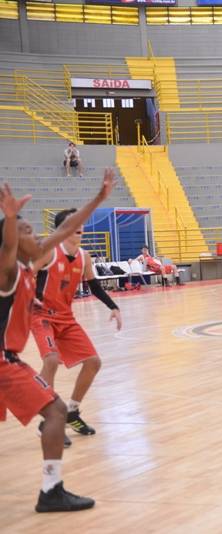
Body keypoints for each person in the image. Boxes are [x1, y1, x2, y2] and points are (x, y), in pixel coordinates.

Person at [0, 170, 116, 513]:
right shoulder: (7, 269)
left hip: (10, 358)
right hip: (3, 361)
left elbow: (65, 229)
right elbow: (7, 246)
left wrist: (99, 199)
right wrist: (10, 219)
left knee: (58, 407)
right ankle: (51, 491)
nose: (35, 235)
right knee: (56, 411)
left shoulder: (27, 268)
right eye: (27, 231)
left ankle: (52, 490)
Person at [31, 208, 123, 447]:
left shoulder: (84, 256)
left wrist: (113, 306)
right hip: (42, 316)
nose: (80, 226)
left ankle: (71, 412)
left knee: (93, 362)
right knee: (51, 360)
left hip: (66, 317)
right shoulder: (49, 251)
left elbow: (94, 286)